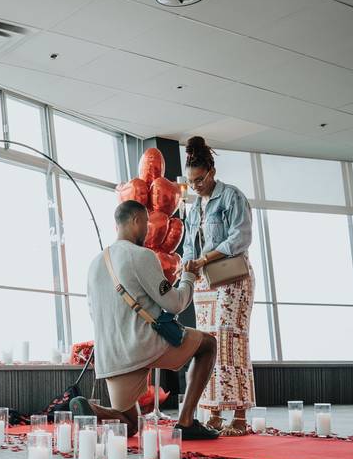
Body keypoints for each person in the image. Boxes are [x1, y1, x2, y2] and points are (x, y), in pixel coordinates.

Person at [85, 200, 219, 440]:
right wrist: (188, 277)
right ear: (136, 221)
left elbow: (94, 312)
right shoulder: (140, 255)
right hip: (144, 346)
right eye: (146, 223)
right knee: (208, 345)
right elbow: (175, 303)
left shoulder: (95, 263)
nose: (148, 230)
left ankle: (92, 410)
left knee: (130, 425)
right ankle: (186, 422)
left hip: (111, 357)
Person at [181, 136, 256, 436]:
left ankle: (238, 415)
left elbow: (241, 237)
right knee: (208, 344)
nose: (196, 186)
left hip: (232, 279)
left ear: (211, 172)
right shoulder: (194, 207)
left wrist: (205, 258)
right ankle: (212, 413)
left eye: (199, 180)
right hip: (205, 282)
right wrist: (189, 266)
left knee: (231, 341)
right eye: (191, 182)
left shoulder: (231, 197)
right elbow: (188, 245)